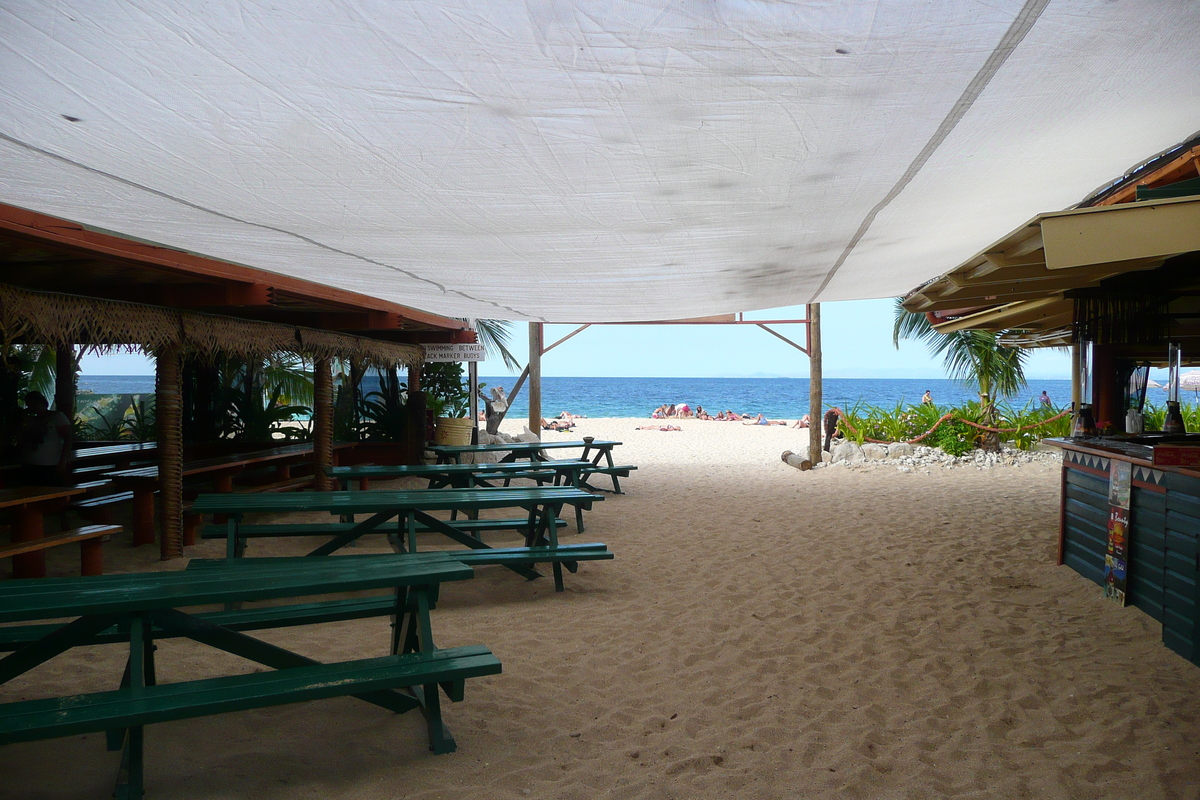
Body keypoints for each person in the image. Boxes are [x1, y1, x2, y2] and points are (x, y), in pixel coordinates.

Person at [18, 391, 72, 486]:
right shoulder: (30, 421)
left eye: (35, 403)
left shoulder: (57, 416)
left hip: (50, 464)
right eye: (30, 404)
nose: (33, 407)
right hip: (30, 463)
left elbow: (68, 439)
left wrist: (63, 461)